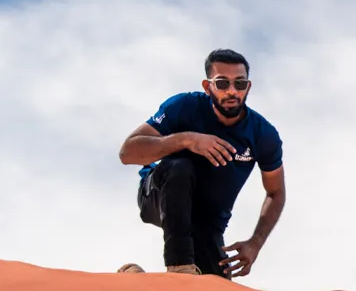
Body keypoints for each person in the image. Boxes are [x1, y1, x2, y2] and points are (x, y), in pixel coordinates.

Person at [116, 48, 286, 278]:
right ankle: (179, 268)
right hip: (159, 195)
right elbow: (128, 152)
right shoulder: (184, 106)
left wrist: (255, 243)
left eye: (240, 84)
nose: (232, 91)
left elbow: (276, 193)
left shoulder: (262, 135)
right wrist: (187, 139)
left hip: (208, 223)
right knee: (180, 167)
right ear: (208, 87)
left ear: (248, 86)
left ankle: (136, 279)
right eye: (223, 83)